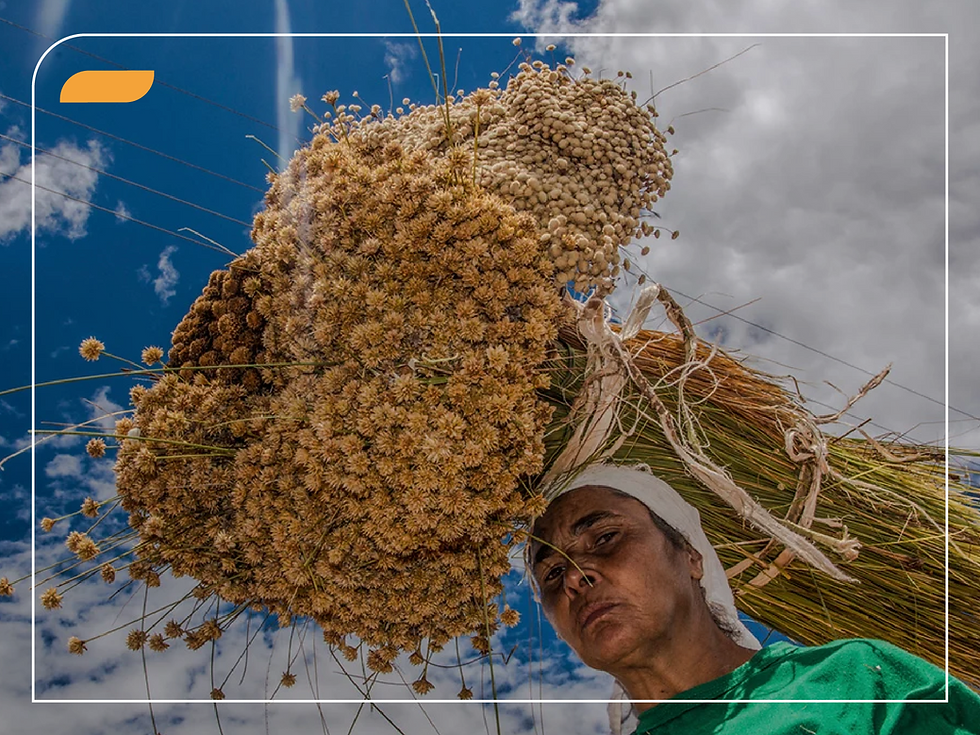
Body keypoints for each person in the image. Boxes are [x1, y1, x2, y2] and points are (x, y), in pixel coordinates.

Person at [529, 463, 980, 735]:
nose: (573, 576)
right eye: (550, 574)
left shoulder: (851, 683)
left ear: (690, 556)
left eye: (605, 537)